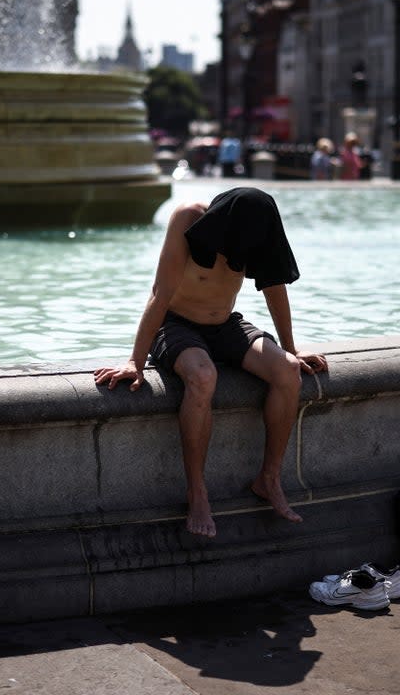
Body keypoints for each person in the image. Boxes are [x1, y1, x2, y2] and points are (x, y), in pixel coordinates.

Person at [94, 187, 328, 538]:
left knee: (287, 370)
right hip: (175, 325)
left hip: (226, 324)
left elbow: (274, 288)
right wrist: (135, 362)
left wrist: (291, 348)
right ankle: (197, 492)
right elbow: (160, 293)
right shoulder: (188, 218)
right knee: (203, 377)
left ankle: (268, 478)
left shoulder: (258, 227)